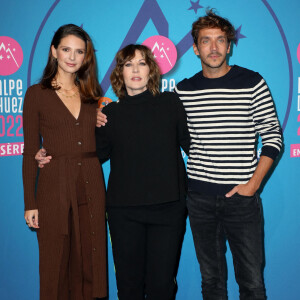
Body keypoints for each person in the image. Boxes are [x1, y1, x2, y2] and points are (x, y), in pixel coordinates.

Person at [174, 9, 283, 300]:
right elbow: (160, 128)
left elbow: (273, 137)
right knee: (211, 282)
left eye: (220, 40)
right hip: (199, 199)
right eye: (206, 41)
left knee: (251, 283)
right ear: (195, 48)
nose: (213, 47)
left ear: (229, 45)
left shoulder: (252, 82)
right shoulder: (183, 91)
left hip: (242, 200)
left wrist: (253, 185)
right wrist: (102, 116)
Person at [95, 44, 190, 300]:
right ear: (120, 73)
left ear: (151, 70)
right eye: (128, 64)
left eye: (142, 63)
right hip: (124, 213)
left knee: (162, 287)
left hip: (168, 210)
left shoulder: (171, 103)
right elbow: (89, 156)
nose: (135, 69)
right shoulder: (109, 114)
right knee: (128, 288)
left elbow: (195, 147)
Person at [22, 24, 107, 300]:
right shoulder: (37, 94)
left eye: (79, 51)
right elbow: (30, 151)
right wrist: (30, 203)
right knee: (54, 262)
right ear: (54, 51)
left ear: (86, 57)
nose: (72, 56)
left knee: (89, 259)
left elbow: (101, 143)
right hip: (53, 183)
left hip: (91, 183)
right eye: (66, 49)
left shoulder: (92, 96)